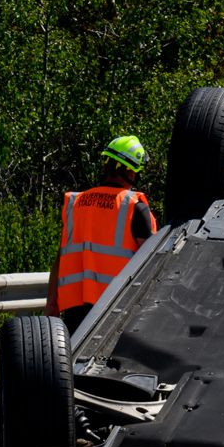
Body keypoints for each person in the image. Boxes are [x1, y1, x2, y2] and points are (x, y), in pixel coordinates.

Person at [51, 135, 159, 331]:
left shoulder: (76, 204)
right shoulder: (135, 207)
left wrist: (52, 303)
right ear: (130, 171)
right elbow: (152, 266)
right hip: (116, 311)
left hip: (74, 312)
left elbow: (60, 258)